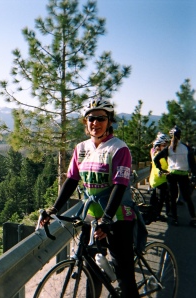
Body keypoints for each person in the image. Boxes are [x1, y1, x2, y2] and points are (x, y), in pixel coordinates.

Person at [41, 98, 140, 298]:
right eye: (91, 118)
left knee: (125, 277)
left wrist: (107, 219)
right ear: (86, 122)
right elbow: (71, 180)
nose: (95, 123)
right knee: (91, 268)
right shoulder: (82, 148)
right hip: (91, 217)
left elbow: (120, 186)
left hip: (117, 217)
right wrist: (54, 209)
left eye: (100, 118)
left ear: (109, 121)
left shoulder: (119, 149)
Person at [153, 125, 196, 227]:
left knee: (172, 198)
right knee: (187, 198)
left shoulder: (169, 149)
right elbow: (193, 164)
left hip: (171, 174)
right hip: (184, 175)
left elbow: (156, 159)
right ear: (180, 136)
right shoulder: (186, 148)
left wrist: (161, 169)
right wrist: (194, 175)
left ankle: (175, 219)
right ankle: (193, 218)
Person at [149, 133, 171, 221]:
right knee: (160, 199)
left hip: (155, 179)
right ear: (159, 146)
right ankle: (157, 215)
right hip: (160, 179)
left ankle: (153, 214)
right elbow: (163, 167)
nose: (165, 147)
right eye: (164, 145)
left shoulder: (154, 152)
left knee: (155, 198)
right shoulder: (160, 156)